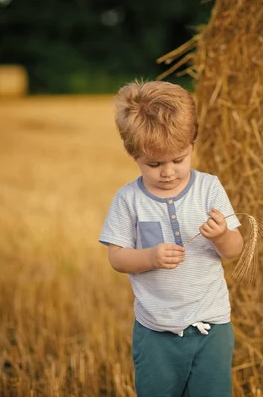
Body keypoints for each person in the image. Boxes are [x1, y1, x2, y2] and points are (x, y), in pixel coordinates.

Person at [99, 80, 244, 397]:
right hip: (156, 331)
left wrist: (221, 236)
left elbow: (235, 249)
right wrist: (149, 257)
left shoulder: (209, 188)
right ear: (133, 154)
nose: (168, 172)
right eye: (154, 164)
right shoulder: (128, 200)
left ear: (192, 143)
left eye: (179, 159)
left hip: (212, 326)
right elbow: (117, 257)